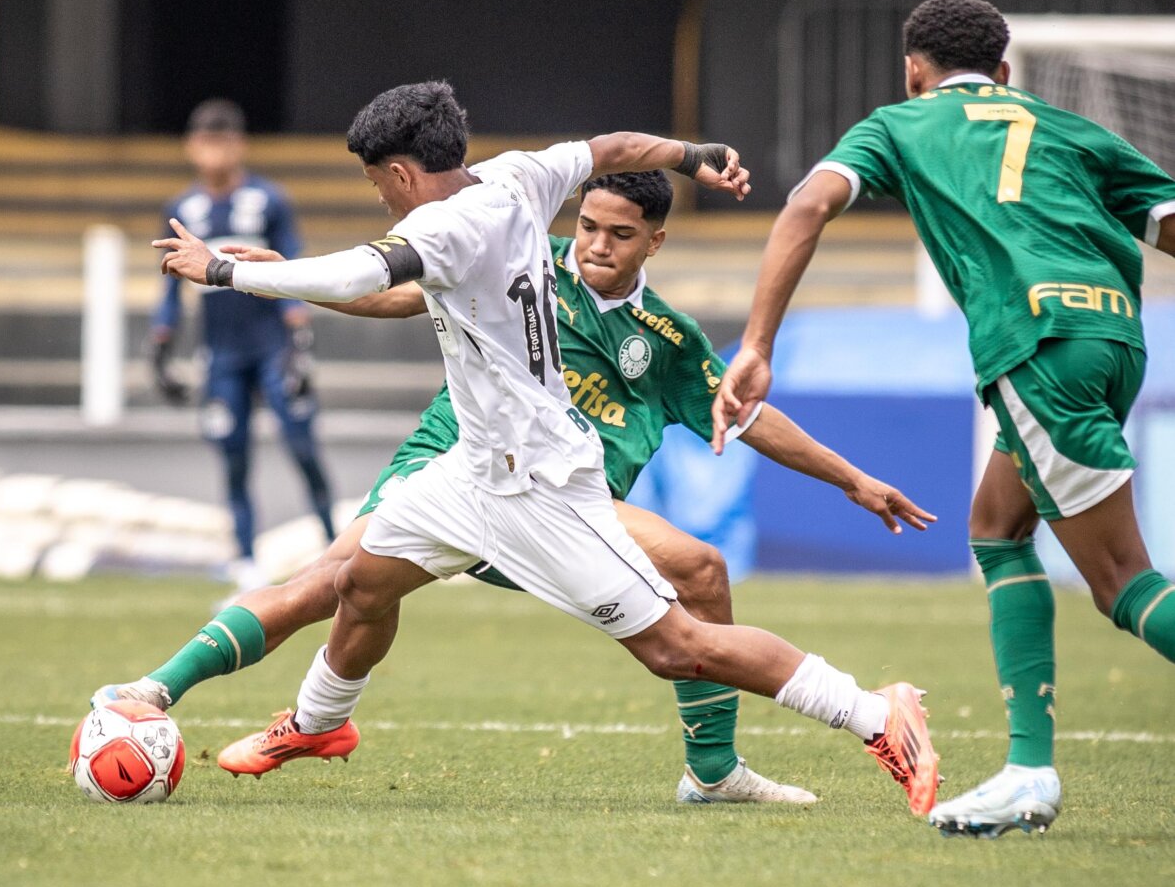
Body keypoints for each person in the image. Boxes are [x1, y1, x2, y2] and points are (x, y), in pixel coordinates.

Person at [151, 81, 940, 816]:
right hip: (467, 467)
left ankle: (875, 714)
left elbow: (362, 270)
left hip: (538, 484)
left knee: (676, 647)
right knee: (355, 579)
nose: (596, 243)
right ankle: (211, 705)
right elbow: (612, 147)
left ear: (398, 171)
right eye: (590, 226)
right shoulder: (519, 175)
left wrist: (221, 270)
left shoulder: (448, 226)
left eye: (375, 183)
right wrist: (692, 154)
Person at [713, 0, 1175, 839]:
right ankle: (1027, 772)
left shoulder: (899, 124)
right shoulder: (1071, 129)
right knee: (996, 530)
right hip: (1115, 340)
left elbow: (807, 205)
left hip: (1037, 346)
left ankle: (1029, 774)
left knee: (1121, 581)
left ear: (912, 71)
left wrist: (756, 345)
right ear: (1003, 70)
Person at [151, 98, 337, 589]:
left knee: (302, 447)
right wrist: (161, 346)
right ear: (191, 147)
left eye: (223, 142)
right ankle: (247, 561)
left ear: (239, 145)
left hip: (272, 348)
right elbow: (169, 284)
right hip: (222, 355)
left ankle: (335, 546)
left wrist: (299, 341)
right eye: (205, 142)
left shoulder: (268, 200)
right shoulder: (182, 210)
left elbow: (292, 268)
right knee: (232, 456)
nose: (214, 153)